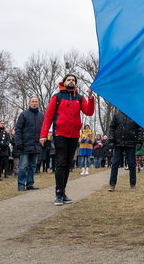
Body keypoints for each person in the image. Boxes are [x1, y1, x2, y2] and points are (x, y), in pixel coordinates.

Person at [40, 74, 95, 205]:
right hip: (60, 134)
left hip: (74, 135)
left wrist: (90, 97)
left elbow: (88, 112)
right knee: (61, 163)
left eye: (73, 80)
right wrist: (43, 134)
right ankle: (58, 193)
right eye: (69, 80)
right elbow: (48, 117)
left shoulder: (79, 98)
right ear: (63, 82)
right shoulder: (57, 97)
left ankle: (63, 192)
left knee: (68, 164)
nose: (71, 82)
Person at [107, 110, 143, 191]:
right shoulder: (116, 115)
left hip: (130, 143)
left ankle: (132, 184)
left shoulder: (134, 115)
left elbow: (139, 130)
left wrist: (139, 142)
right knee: (115, 164)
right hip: (118, 143)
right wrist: (111, 140)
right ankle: (112, 184)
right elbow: (112, 128)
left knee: (132, 164)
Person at [14, 96, 44, 191]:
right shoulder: (24, 114)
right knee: (23, 166)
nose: (34, 103)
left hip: (36, 145)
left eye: (36, 101)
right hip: (25, 145)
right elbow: (18, 129)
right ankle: (21, 184)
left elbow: (43, 130)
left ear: (38, 103)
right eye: (32, 101)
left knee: (33, 166)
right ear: (29, 103)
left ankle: (30, 183)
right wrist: (18, 142)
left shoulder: (41, 116)